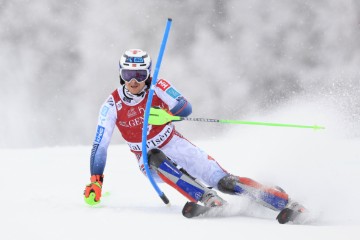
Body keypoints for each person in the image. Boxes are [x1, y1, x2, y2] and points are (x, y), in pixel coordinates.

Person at [83, 49, 307, 223]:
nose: (134, 81)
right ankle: (206, 197)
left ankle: (285, 201)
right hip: (147, 157)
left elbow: (185, 107)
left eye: (140, 75)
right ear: (121, 75)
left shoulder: (157, 86)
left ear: (148, 74)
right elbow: (99, 146)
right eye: (128, 74)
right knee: (154, 157)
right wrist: (96, 182)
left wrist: (166, 115)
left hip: (176, 144)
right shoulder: (111, 105)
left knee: (225, 182)